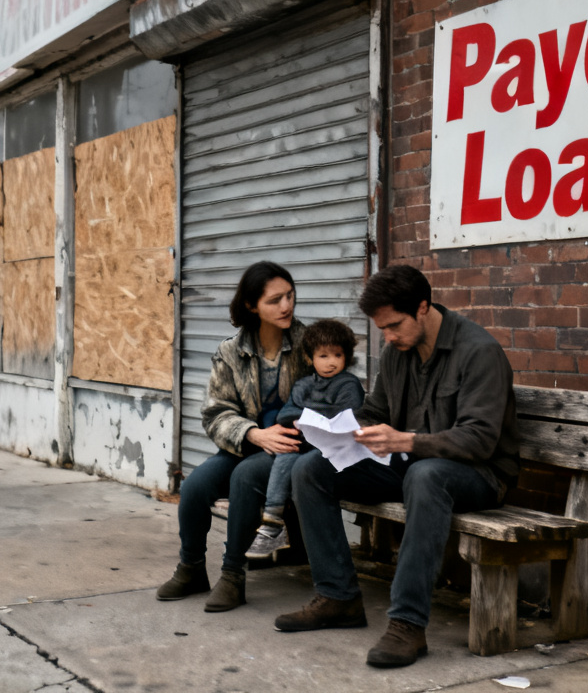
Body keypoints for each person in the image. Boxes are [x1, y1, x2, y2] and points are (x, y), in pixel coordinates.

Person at [275, 264, 520, 668]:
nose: (387, 337)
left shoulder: (479, 352)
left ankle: (408, 624)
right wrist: (348, 433)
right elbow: (375, 411)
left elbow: (479, 440)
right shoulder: (397, 352)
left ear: (422, 308)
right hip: (410, 465)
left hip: (478, 476)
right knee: (311, 469)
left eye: (393, 326)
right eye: (381, 329)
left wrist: (406, 441)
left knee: (427, 476)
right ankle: (338, 597)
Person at [156, 261, 309, 612]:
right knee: (195, 487)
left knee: (245, 477)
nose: (286, 306)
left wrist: (290, 433)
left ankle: (233, 575)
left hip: (292, 450)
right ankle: (191, 568)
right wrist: (254, 434)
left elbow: (331, 391)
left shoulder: (308, 343)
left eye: (290, 296)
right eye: (275, 300)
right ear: (252, 306)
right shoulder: (230, 351)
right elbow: (215, 412)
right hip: (249, 443)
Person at [245, 318, 365, 560]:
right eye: (323, 356)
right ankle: (272, 522)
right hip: (304, 444)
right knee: (287, 450)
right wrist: (308, 417)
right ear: (311, 358)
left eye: (337, 355)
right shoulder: (303, 385)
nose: (331, 362)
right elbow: (285, 414)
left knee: (300, 458)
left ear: (347, 357)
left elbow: (346, 416)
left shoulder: (348, 384)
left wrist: (308, 415)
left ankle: (272, 524)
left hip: (335, 451)